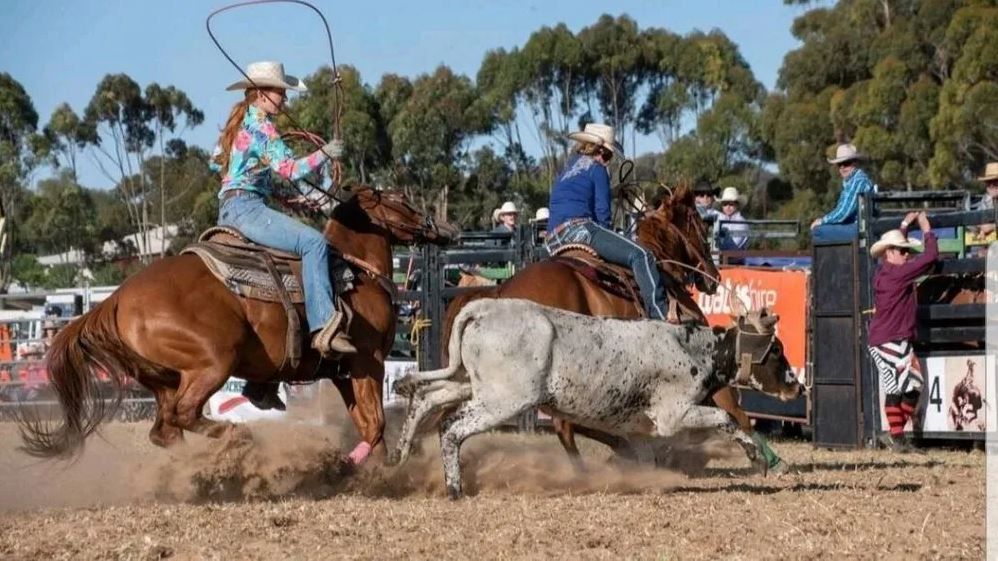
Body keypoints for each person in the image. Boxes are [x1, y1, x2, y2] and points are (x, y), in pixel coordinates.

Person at [210, 61, 353, 410]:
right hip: (247, 210)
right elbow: (290, 169)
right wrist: (324, 154)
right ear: (262, 94)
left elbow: (219, 165)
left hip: (233, 208)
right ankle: (322, 328)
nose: (284, 99)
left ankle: (260, 380)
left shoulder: (237, 126)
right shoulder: (261, 127)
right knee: (314, 242)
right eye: (280, 92)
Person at [545, 123, 669, 320]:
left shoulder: (568, 168)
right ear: (600, 150)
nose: (607, 160)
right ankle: (660, 318)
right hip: (580, 230)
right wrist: (607, 236)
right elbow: (602, 213)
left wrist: (612, 193)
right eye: (608, 155)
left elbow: (579, 197)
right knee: (642, 256)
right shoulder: (598, 170)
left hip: (553, 239)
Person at [867, 211, 938, 453]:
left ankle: (895, 435)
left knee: (908, 386)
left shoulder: (887, 271)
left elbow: (898, 251)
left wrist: (905, 225)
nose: (906, 254)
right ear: (889, 253)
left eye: (906, 250)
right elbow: (930, 257)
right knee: (900, 388)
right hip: (890, 340)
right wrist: (927, 229)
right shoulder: (899, 274)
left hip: (888, 338)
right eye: (902, 251)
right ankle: (896, 437)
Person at [811, 143, 876, 243]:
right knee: (825, 227)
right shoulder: (850, 182)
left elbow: (844, 212)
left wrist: (822, 220)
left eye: (846, 163)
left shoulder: (858, 181)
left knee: (818, 231)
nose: (842, 167)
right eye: (839, 164)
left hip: (860, 228)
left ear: (855, 163)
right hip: (856, 226)